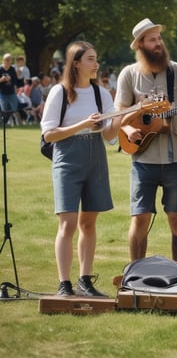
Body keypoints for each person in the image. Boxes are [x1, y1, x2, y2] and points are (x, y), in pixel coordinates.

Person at [114, 18, 177, 263]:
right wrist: (130, 128)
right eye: (152, 39)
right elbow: (119, 111)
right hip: (143, 157)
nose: (158, 43)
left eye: (159, 38)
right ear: (140, 44)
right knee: (140, 217)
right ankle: (135, 274)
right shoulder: (129, 75)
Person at [41, 41, 122, 297]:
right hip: (67, 157)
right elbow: (49, 134)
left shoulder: (103, 93)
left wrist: (123, 118)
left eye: (96, 58)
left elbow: (109, 136)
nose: (96, 64)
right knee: (68, 223)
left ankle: (84, 281)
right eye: (90, 59)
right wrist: (84, 124)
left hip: (96, 157)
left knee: (89, 223)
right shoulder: (59, 92)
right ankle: (64, 284)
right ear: (75, 63)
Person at [0, 53, 23, 121]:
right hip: (2, 94)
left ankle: (18, 123)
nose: (8, 61)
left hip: (12, 93)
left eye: (9, 60)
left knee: (14, 110)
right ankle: (6, 124)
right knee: (4, 111)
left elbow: (15, 81)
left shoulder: (12, 69)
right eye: (6, 60)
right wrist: (2, 79)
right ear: (3, 60)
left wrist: (12, 79)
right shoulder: (0, 69)